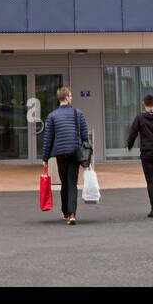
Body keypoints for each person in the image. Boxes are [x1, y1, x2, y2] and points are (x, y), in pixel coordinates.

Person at [42, 86, 89, 225]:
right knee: (72, 183)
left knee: (64, 183)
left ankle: (65, 212)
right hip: (75, 152)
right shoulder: (78, 113)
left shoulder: (52, 116)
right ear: (67, 97)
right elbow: (85, 136)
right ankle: (73, 213)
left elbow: (48, 139)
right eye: (71, 96)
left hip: (60, 154)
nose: (72, 98)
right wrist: (87, 155)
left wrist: (45, 158)